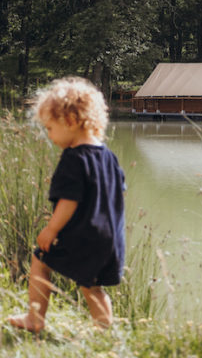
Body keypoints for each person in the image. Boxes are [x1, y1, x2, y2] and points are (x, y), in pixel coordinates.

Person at [8, 77, 126, 332]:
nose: (49, 136)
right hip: (109, 238)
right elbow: (117, 194)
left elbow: (69, 201)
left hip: (83, 236)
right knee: (92, 286)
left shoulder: (74, 158)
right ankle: (105, 332)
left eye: (50, 128)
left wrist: (51, 230)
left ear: (70, 121)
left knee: (40, 260)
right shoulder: (109, 157)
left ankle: (35, 319)